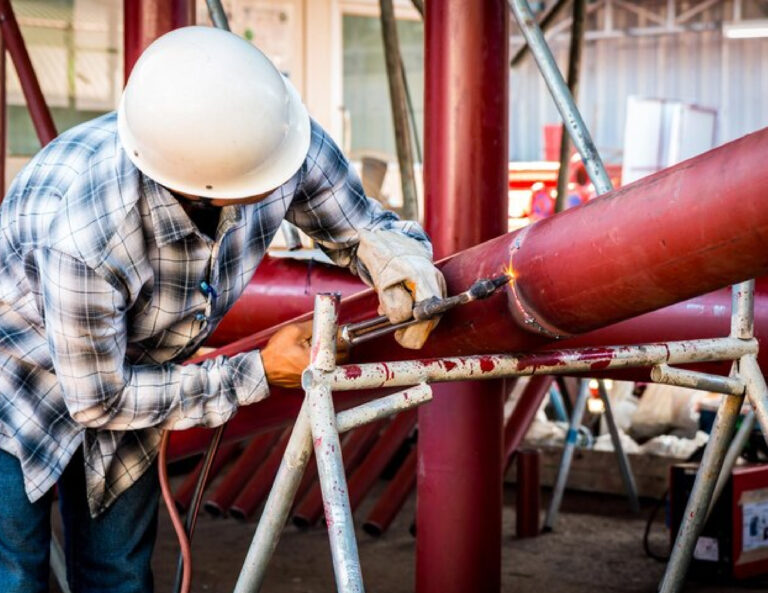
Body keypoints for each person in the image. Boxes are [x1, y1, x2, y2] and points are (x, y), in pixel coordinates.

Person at [0, 26, 445, 593]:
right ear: (204, 191)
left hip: (139, 377)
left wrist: (393, 256)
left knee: (117, 577)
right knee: (14, 574)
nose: (281, 183)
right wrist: (257, 371)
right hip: (18, 386)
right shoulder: (87, 232)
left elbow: (356, 224)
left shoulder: (272, 135)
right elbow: (101, 398)